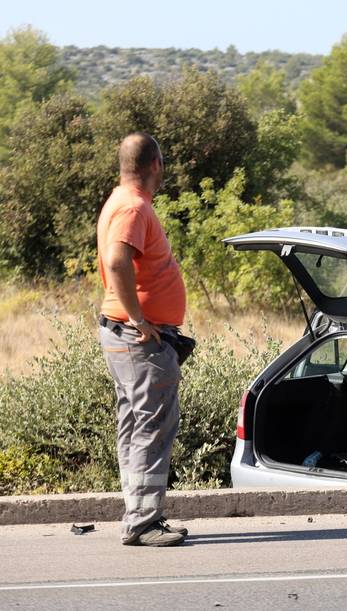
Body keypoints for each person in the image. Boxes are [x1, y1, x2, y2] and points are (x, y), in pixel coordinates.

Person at [97, 132, 189, 547]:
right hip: (137, 338)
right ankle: (142, 522)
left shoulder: (122, 201)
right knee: (152, 425)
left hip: (127, 335)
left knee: (136, 424)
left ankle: (140, 513)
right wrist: (138, 318)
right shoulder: (133, 207)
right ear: (155, 165)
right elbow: (117, 261)